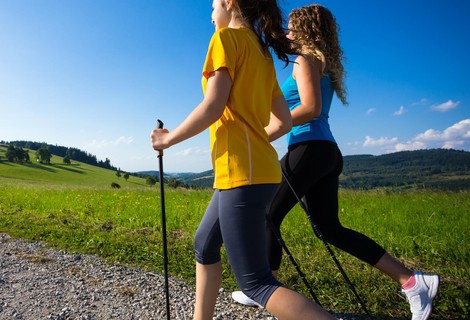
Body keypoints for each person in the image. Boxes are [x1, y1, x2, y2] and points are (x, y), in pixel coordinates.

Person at [230, 5, 439, 320]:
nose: (287, 32)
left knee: (267, 213)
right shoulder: (317, 61)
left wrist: (265, 133)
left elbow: (310, 108)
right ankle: (411, 281)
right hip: (325, 152)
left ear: (305, 30)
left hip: (309, 148)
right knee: (330, 228)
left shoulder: (305, 60)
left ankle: (262, 287)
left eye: (291, 27)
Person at [150, 0, 335, 319]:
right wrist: (252, 139)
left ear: (229, 3)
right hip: (253, 171)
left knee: (256, 283)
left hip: (242, 173)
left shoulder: (225, 39)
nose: (210, 15)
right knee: (204, 244)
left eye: (212, 6)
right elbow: (283, 122)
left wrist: (169, 138)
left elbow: (213, 105)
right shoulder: (262, 53)